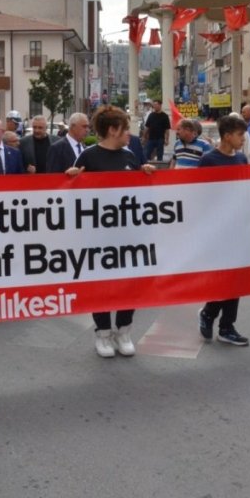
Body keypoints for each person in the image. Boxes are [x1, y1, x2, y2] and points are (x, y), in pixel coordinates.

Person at [65, 106, 156, 357]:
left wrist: (145, 174)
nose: (129, 133)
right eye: (125, 128)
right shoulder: (88, 157)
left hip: (129, 236)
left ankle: (124, 330)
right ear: (112, 129)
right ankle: (103, 334)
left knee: (130, 284)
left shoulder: (130, 156)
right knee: (101, 286)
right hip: (98, 237)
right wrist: (71, 178)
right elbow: (71, 196)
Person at [196, 114, 250, 346]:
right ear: (227, 136)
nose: (243, 140)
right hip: (217, 229)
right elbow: (198, 195)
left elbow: (245, 190)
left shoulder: (240, 160)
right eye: (239, 135)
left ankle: (226, 325)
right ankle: (210, 314)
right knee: (223, 278)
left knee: (236, 277)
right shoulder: (209, 160)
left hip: (238, 227)